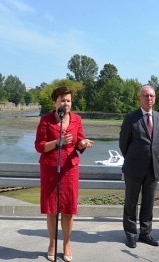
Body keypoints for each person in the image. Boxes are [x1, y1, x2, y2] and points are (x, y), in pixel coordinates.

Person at [35, 86, 94, 262]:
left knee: (68, 210)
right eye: (62, 100)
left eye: (68, 100)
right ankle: (52, 244)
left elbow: (78, 143)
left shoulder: (77, 119)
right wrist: (57, 142)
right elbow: (39, 146)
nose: (66, 103)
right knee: (52, 209)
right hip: (50, 168)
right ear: (55, 103)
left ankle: (67, 244)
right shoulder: (45, 120)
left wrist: (83, 143)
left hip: (70, 168)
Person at [119, 85, 159, 249]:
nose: (149, 98)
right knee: (131, 203)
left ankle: (145, 234)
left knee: (148, 203)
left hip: (153, 167)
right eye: (145, 96)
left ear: (155, 98)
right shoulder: (131, 118)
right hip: (133, 168)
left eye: (151, 96)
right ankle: (131, 235)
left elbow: (158, 140)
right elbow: (123, 143)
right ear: (139, 98)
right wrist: (133, 159)